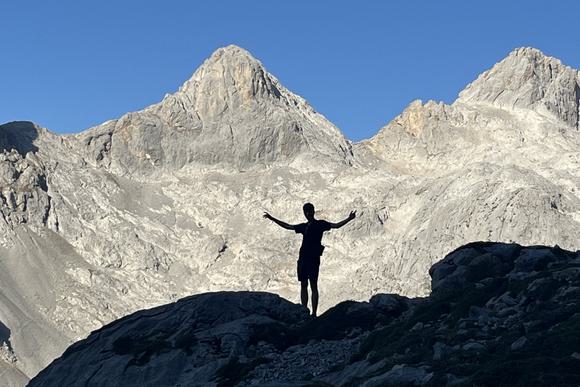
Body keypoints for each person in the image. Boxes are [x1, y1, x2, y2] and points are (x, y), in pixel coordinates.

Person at [263, 203, 356, 317]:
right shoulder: (305, 226)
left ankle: (313, 313)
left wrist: (349, 219)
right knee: (304, 284)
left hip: (311, 259)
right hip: (304, 258)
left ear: (313, 211)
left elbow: (336, 225)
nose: (308, 213)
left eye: (310, 211)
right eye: (306, 211)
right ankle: (305, 311)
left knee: (312, 285)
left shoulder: (320, 224)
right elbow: (287, 226)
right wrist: (272, 218)